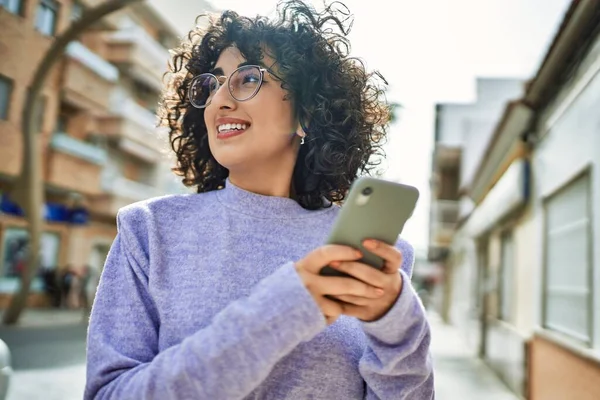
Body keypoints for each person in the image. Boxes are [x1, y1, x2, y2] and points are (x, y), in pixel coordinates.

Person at [85, 1, 434, 399]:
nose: (219, 101)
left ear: (306, 113)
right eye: (212, 85)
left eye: (248, 78)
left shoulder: (378, 253)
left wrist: (399, 324)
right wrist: (283, 310)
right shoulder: (149, 230)